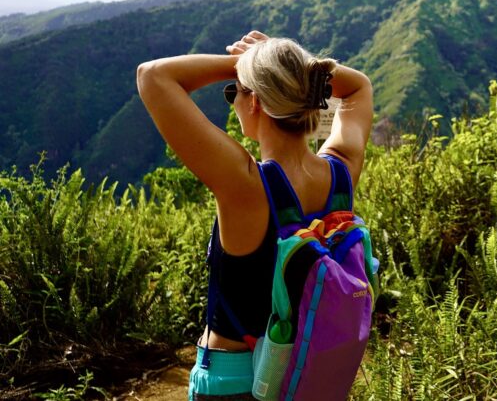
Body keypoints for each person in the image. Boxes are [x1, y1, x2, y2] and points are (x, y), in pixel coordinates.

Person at [137, 30, 373, 400]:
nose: (233, 100)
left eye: (236, 90)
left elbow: (151, 75)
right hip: (304, 376)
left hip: (236, 382)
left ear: (256, 102)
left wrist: (248, 62)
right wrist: (280, 65)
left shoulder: (247, 188)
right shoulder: (341, 173)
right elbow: (358, 86)